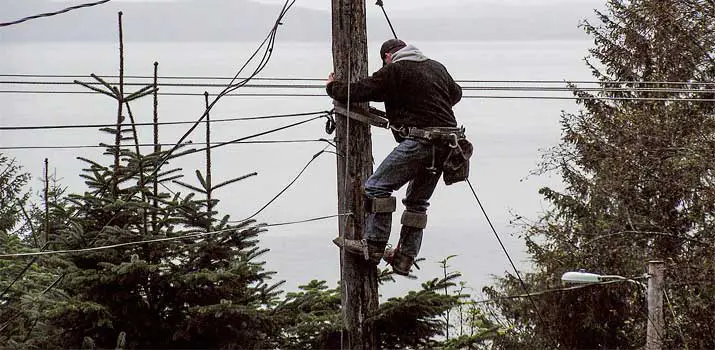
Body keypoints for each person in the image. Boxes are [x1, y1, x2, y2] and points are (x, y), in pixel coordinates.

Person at [326, 38, 467, 276]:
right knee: (417, 202)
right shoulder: (436, 67)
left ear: (387, 57)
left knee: (376, 187)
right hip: (449, 146)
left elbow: (359, 91)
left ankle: (373, 245)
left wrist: (333, 86)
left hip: (421, 142)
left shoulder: (394, 70)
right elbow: (455, 94)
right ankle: (404, 257)